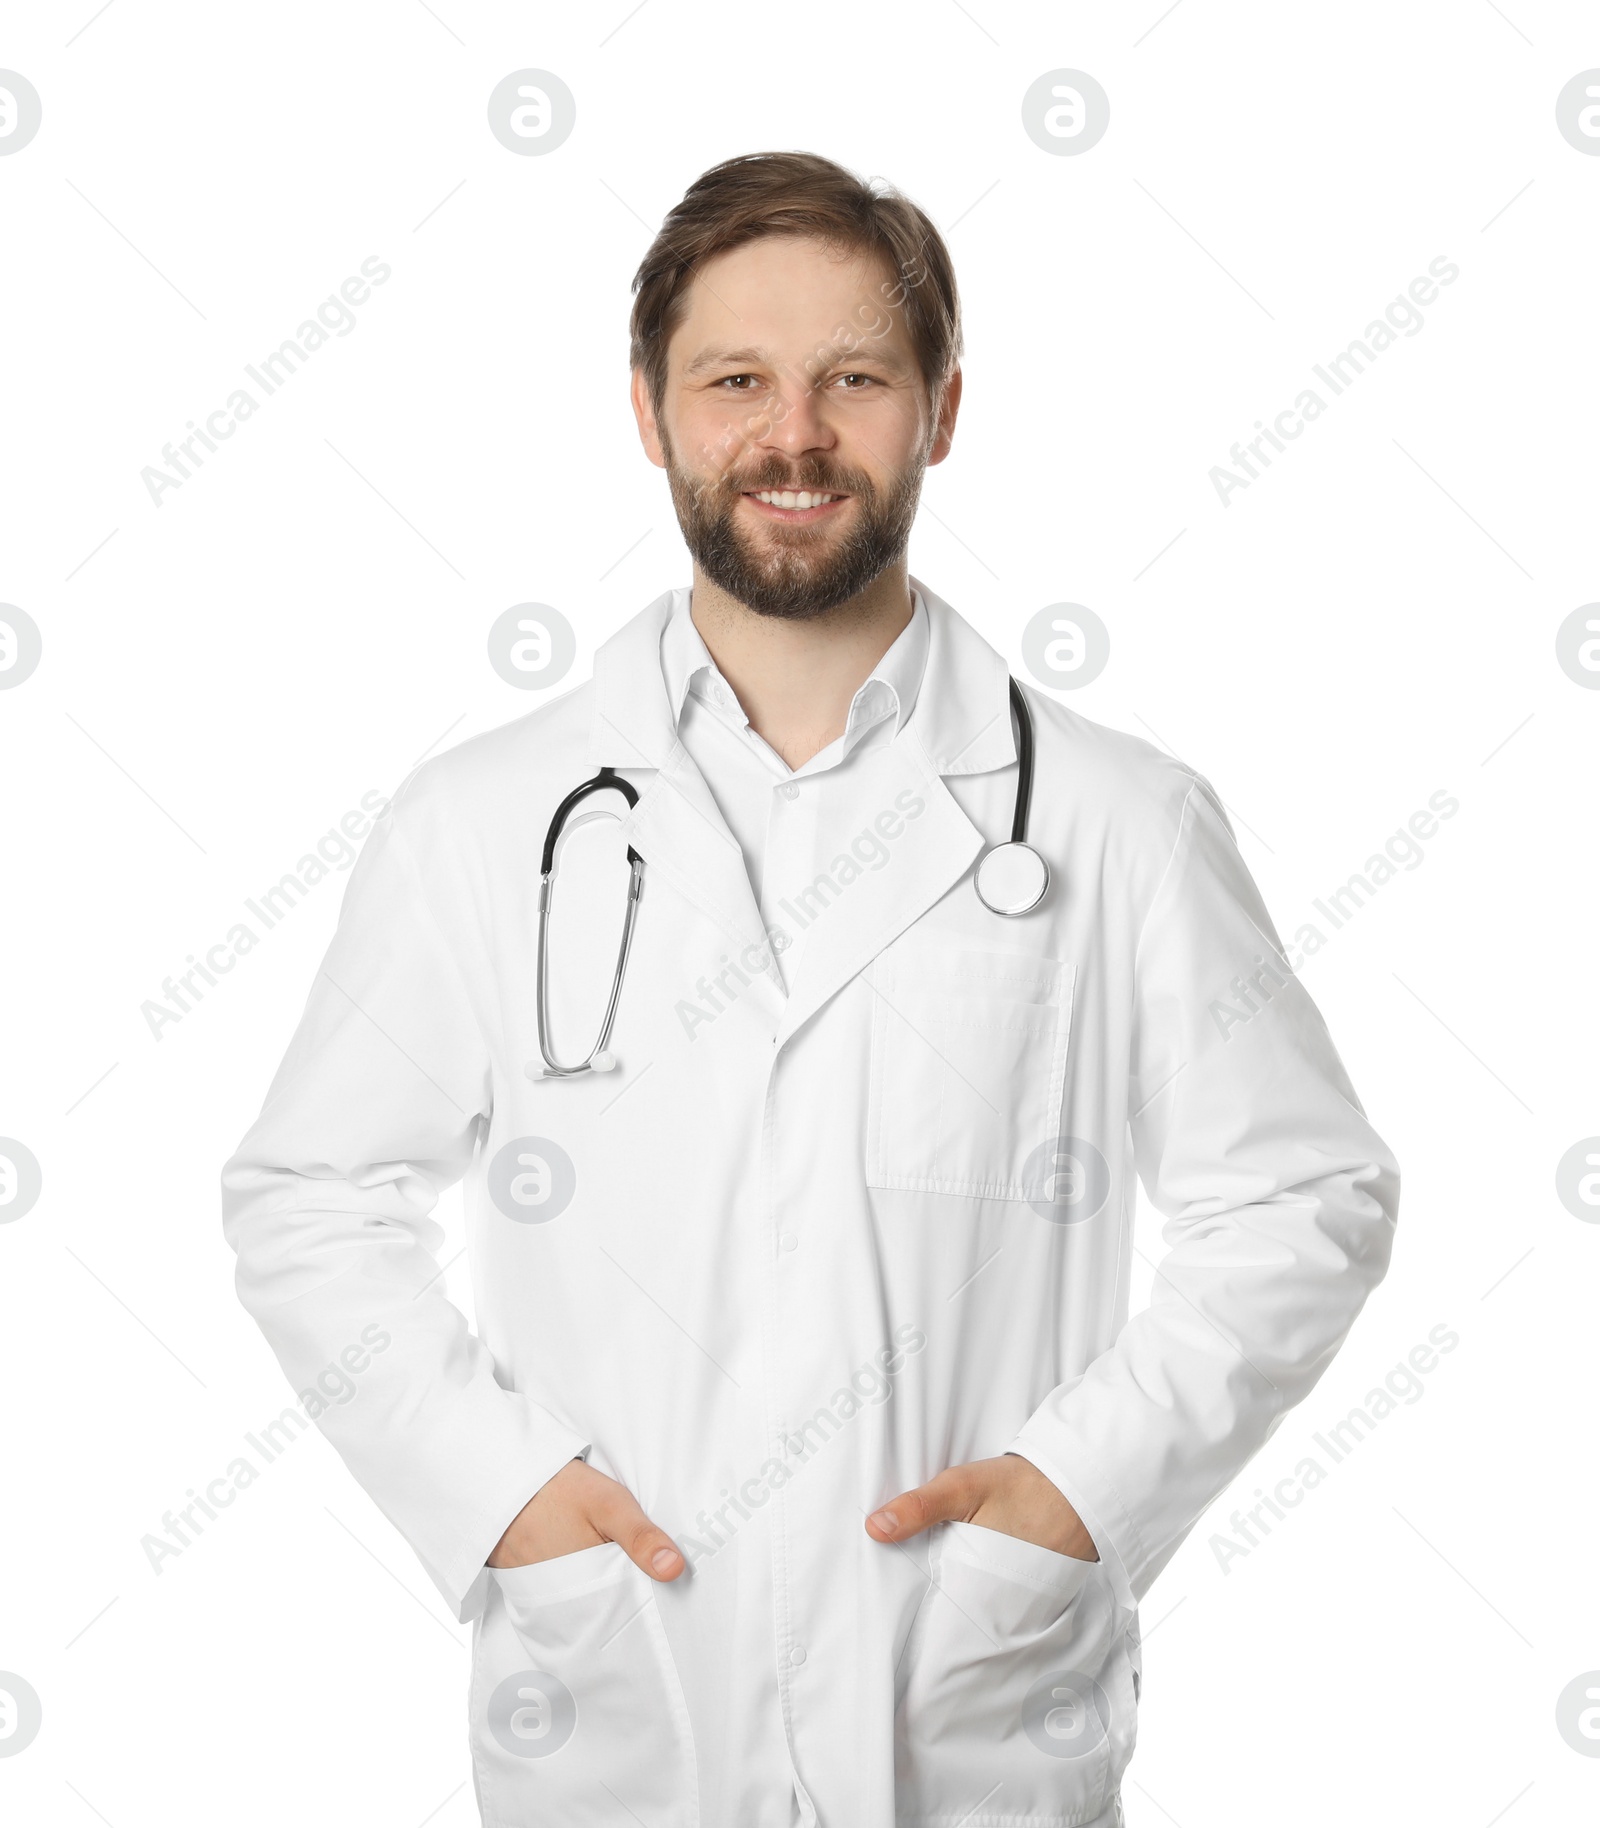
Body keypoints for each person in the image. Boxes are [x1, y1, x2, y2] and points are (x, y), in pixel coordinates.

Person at [222, 151, 1400, 1828]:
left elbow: (1305, 1196)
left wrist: (1073, 1497)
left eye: (854, 379)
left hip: (969, 1699)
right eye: (735, 382)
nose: (794, 435)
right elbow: (309, 1198)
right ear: (650, 411)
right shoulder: (483, 823)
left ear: (940, 410)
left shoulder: (1117, 820)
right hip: (621, 1684)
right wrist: (507, 1499)